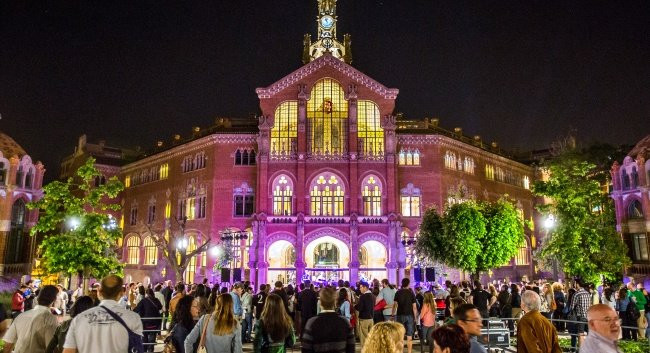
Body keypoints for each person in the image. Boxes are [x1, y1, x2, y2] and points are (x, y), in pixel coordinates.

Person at [62, 275, 143, 353]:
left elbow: (68, 351)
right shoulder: (133, 318)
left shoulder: (79, 319)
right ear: (121, 293)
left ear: (99, 292)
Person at [3, 285, 59, 353]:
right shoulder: (51, 319)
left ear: (38, 298)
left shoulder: (21, 316)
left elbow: (8, 345)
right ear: (54, 299)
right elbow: (51, 348)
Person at [302, 287, 355, 353]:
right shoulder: (345, 322)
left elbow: (306, 349)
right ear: (334, 302)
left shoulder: (311, 322)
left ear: (320, 303)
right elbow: (351, 348)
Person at [392, 277, 417, 353]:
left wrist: (393, 314)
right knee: (409, 336)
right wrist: (415, 317)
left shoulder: (398, 292)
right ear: (408, 284)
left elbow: (395, 305)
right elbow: (414, 307)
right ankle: (409, 352)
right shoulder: (411, 293)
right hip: (409, 315)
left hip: (400, 315)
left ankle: (401, 351)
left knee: (400, 336)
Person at [568, 281, 591, 347]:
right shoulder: (587, 293)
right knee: (589, 333)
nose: (574, 284)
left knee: (580, 334)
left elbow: (571, 307)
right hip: (588, 316)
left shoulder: (576, 294)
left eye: (574, 283)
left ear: (577, 284)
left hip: (580, 317)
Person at [355, 280, 375, 346]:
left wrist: (355, 306)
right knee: (370, 336)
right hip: (371, 318)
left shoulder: (363, 296)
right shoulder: (372, 295)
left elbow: (360, 308)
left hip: (364, 319)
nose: (360, 289)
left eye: (361, 287)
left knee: (364, 338)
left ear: (365, 287)